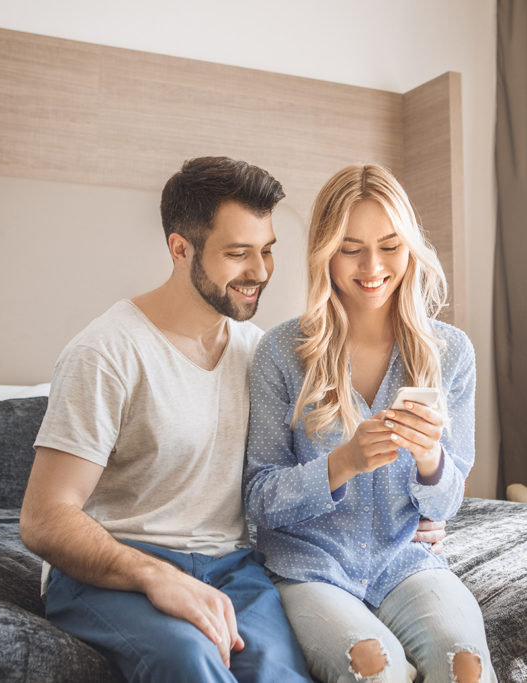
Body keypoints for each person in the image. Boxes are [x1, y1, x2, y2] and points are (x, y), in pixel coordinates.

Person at [18, 157, 310, 682]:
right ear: (180, 249)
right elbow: (44, 518)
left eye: (267, 251)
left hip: (232, 568)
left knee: (280, 672)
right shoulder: (106, 352)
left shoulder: (259, 353)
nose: (260, 272)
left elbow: (296, 473)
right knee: (188, 658)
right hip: (110, 568)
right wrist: (154, 575)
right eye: (238, 254)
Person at [244, 164, 495, 683]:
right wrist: (343, 463)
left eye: (390, 244)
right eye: (350, 247)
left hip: (407, 562)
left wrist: (430, 460)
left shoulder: (449, 353)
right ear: (324, 252)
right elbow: (259, 499)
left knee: (465, 666)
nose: (373, 265)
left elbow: (447, 503)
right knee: (372, 666)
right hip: (309, 566)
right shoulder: (281, 353)